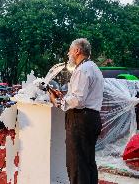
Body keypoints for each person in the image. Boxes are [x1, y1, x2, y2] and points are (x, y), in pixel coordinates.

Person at [50, 38, 104, 184]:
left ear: (77, 50)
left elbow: (78, 101)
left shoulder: (82, 70)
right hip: (91, 118)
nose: (68, 54)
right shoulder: (93, 67)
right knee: (88, 162)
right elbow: (81, 96)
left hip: (81, 120)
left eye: (70, 50)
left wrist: (57, 101)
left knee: (77, 165)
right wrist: (65, 96)